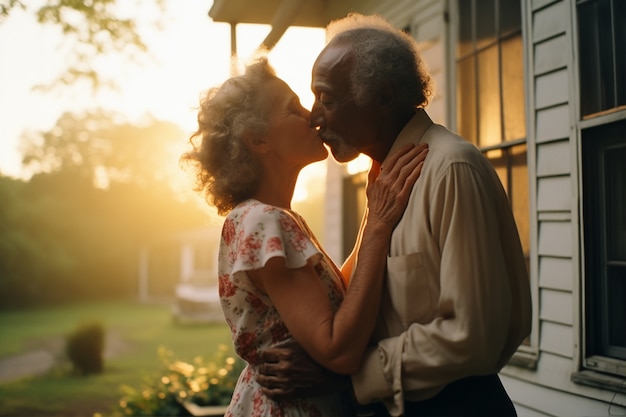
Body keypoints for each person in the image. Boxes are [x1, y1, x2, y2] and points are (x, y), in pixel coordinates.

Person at [256, 13, 533, 417]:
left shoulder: (451, 169)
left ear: (383, 97)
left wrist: (349, 378)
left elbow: (474, 335)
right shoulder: (385, 181)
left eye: (327, 98)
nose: (315, 116)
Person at [181, 57, 429, 416]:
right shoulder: (265, 222)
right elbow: (337, 349)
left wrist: (374, 210)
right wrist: (377, 228)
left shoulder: (265, 217)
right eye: (292, 109)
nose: (312, 116)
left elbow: (339, 295)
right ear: (258, 140)